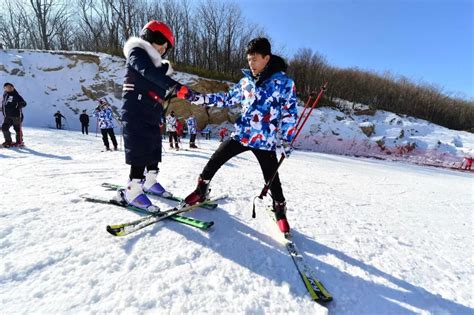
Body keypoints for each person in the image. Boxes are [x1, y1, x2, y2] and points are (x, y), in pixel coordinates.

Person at [181, 38, 298, 233]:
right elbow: (227, 98)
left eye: (254, 59)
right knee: (215, 159)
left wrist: (286, 139)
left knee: (271, 177)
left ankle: (280, 208)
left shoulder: (284, 83)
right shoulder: (246, 82)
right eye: (248, 60)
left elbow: (289, 113)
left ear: (266, 58)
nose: (250, 64)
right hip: (242, 134)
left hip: (265, 140)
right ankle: (201, 190)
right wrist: (200, 98)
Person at [117, 20, 193, 210]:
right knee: (139, 149)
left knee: (153, 148)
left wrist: (178, 92)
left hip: (152, 112)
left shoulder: (159, 68)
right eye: (161, 42)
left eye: (166, 47)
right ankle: (132, 190)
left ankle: (150, 181)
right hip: (135, 109)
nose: (163, 49)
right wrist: (174, 85)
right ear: (149, 37)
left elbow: (160, 89)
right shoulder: (137, 52)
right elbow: (148, 72)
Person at [2, 82, 26, 147]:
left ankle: (19, 142)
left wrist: (21, 104)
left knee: (17, 129)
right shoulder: (5, 95)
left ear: (13, 88)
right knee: (4, 128)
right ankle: (8, 141)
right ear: (5, 89)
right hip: (7, 116)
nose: (8, 88)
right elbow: (5, 105)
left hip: (16, 116)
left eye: (10, 87)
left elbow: (24, 103)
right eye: (6, 87)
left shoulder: (16, 95)